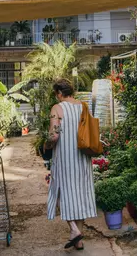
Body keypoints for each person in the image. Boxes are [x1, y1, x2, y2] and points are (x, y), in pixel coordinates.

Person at [45, 79, 97, 251]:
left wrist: (46, 145)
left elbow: (54, 136)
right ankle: (79, 241)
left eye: (56, 94)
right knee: (79, 196)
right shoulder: (83, 106)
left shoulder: (57, 108)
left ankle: (74, 230)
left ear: (59, 93)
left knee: (59, 192)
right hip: (82, 159)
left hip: (65, 159)